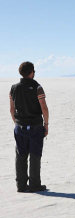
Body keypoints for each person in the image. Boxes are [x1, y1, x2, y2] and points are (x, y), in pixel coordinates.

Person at [9, 62, 49, 192]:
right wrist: (46, 124)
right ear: (31, 72)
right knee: (35, 155)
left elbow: (11, 109)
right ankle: (34, 185)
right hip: (35, 126)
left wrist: (17, 122)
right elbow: (44, 107)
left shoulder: (13, 88)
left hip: (19, 126)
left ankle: (20, 185)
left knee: (21, 155)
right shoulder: (37, 87)